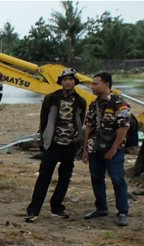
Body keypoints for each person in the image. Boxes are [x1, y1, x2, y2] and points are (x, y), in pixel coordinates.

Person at [25, 68, 87, 222]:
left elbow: (81, 121)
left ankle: (57, 207)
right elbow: (44, 119)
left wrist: (80, 142)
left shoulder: (80, 101)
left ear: (75, 82)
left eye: (70, 79)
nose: (67, 82)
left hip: (70, 145)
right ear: (60, 82)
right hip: (53, 144)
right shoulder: (51, 99)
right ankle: (34, 210)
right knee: (44, 177)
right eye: (64, 79)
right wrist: (43, 140)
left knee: (64, 178)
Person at [82, 72, 132, 227]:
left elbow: (123, 128)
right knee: (96, 178)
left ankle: (123, 212)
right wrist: (85, 149)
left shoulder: (120, 104)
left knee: (117, 179)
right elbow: (88, 127)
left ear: (106, 84)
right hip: (95, 148)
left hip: (113, 149)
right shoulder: (94, 104)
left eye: (95, 83)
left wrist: (114, 148)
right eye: (92, 83)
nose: (92, 86)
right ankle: (101, 208)